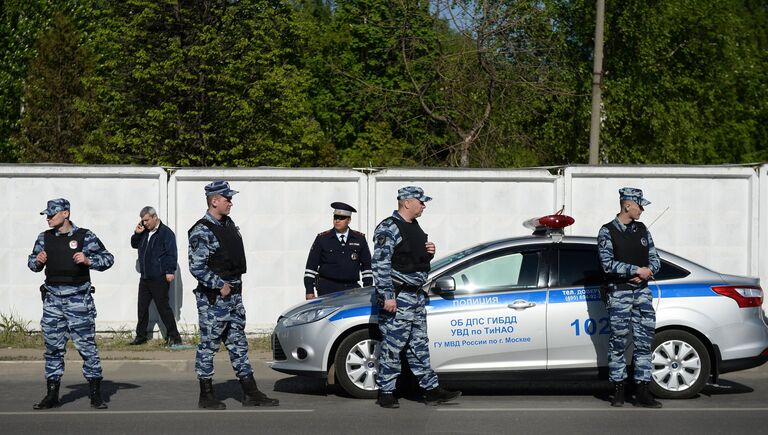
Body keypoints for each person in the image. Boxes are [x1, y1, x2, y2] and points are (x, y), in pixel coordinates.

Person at [188, 180, 279, 410]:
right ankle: (206, 395)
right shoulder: (201, 230)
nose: (231, 203)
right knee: (209, 346)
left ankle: (251, 392)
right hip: (214, 300)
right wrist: (219, 285)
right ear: (214, 200)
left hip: (234, 299)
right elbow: (197, 267)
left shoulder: (227, 224)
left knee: (238, 344)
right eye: (227, 199)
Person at [372, 186, 461, 409]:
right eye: (421, 202)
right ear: (407, 202)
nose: (424, 206)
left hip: (416, 296)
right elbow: (380, 265)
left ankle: (430, 390)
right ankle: (386, 392)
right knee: (393, 344)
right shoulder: (388, 228)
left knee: (418, 344)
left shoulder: (414, 226)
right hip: (399, 296)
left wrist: (428, 253)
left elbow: (411, 259)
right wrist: (388, 296)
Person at [27, 198, 114, 410]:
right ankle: (52, 394)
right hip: (53, 301)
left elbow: (109, 259)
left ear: (65, 214)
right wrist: (37, 261)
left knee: (87, 347)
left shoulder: (85, 236)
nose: (48, 218)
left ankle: (95, 394)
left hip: (78, 301)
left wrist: (89, 261)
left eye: (52, 214)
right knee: (53, 349)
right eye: (47, 214)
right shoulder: (44, 238)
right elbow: (31, 263)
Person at [597, 187, 662, 408]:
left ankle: (643, 391)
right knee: (618, 342)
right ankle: (618, 391)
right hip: (620, 293)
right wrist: (636, 270)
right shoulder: (607, 232)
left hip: (642, 293)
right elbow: (607, 265)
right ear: (628, 205)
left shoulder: (642, 230)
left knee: (644, 343)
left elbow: (655, 259)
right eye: (640, 205)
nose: (642, 210)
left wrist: (647, 270)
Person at [129, 206, 182, 346]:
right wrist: (137, 233)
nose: (144, 223)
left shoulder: (166, 233)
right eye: (143, 221)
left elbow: (172, 253)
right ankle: (140, 336)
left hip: (159, 277)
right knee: (142, 308)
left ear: (154, 217)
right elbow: (134, 244)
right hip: (145, 277)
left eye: (146, 220)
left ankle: (174, 337)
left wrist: (170, 271)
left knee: (163, 307)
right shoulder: (144, 232)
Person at [304, 202, 373, 300]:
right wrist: (309, 290)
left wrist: (367, 288)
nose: (337, 220)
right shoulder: (323, 239)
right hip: (327, 289)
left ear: (349, 220)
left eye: (341, 218)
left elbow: (367, 266)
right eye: (335, 217)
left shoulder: (359, 239)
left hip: (352, 289)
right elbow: (311, 267)